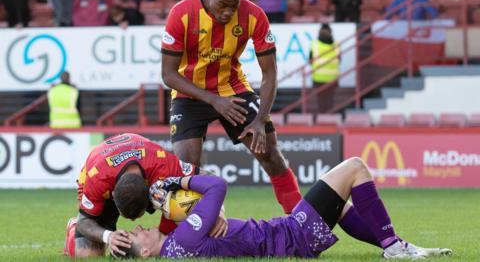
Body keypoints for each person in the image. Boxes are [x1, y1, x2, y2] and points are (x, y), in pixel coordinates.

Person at [123, 157, 452, 259]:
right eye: (136, 235)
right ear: (146, 253)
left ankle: (394, 245)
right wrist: (178, 182)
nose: (139, 229)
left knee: (336, 207)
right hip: (291, 235)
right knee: (355, 167)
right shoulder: (184, 241)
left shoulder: (179, 246)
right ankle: (394, 247)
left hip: (286, 236)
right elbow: (218, 186)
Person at [161, 0, 302, 216]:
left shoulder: (254, 15)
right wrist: (214, 100)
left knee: (271, 153)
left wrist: (260, 119)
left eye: (233, 6)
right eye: (222, 5)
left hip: (233, 89)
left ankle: (301, 219)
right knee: (187, 169)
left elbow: (270, 75)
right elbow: (168, 75)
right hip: (189, 93)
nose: (228, 12)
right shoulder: (181, 13)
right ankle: (184, 233)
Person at [63, 133, 227, 258]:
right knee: (87, 254)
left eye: (137, 216)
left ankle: (168, 229)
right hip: (99, 172)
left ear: (150, 196)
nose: (134, 222)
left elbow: (209, 178)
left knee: (182, 199)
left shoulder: (162, 163)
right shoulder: (97, 178)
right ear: (112, 196)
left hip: (149, 172)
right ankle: (72, 226)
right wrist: (108, 236)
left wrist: (218, 211)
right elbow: (86, 222)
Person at [309, 23, 340, 113]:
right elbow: (339, 60)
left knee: (321, 101)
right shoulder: (336, 45)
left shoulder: (314, 44)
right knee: (330, 100)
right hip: (332, 78)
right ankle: (329, 117)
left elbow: (310, 61)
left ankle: (322, 118)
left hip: (318, 78)